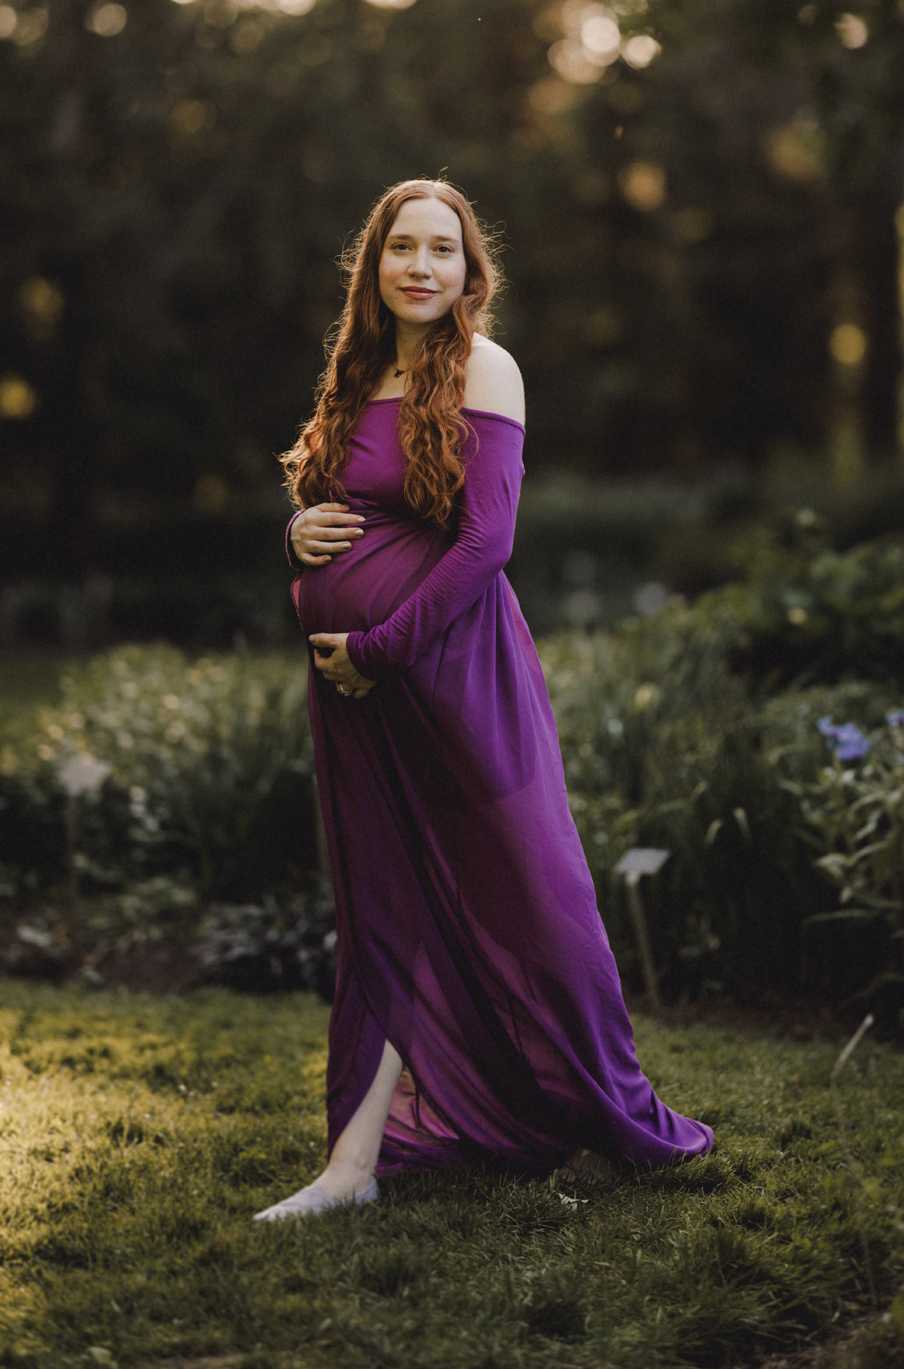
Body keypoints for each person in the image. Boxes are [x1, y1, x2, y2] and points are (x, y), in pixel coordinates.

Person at [255, 178, 712, 1222]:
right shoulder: (358, 369)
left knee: (537, 892)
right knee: (383, 904)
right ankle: (350, 1166)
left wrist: (381, 645)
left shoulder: (485, 369)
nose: (420, 265)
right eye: (401, 247)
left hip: (453, 669)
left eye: (442, 250)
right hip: (358, 685)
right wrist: (295, 541)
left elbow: (484, 543)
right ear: (373, 265)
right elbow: (334, 509)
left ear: (470, 270)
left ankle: (617, 1116)